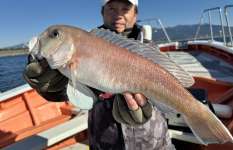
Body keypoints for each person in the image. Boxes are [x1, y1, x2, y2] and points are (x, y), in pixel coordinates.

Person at [23, 0, 175, 149]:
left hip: (155, 144)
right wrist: (48, 85)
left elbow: (169, 94)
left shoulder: (152, 51)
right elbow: (65, 92)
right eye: (112, 9)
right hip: (105, 143)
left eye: (125, 9)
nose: (118, 15)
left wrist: (148, 108)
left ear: (135, 14)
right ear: (102, 12)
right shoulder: (80, 45)